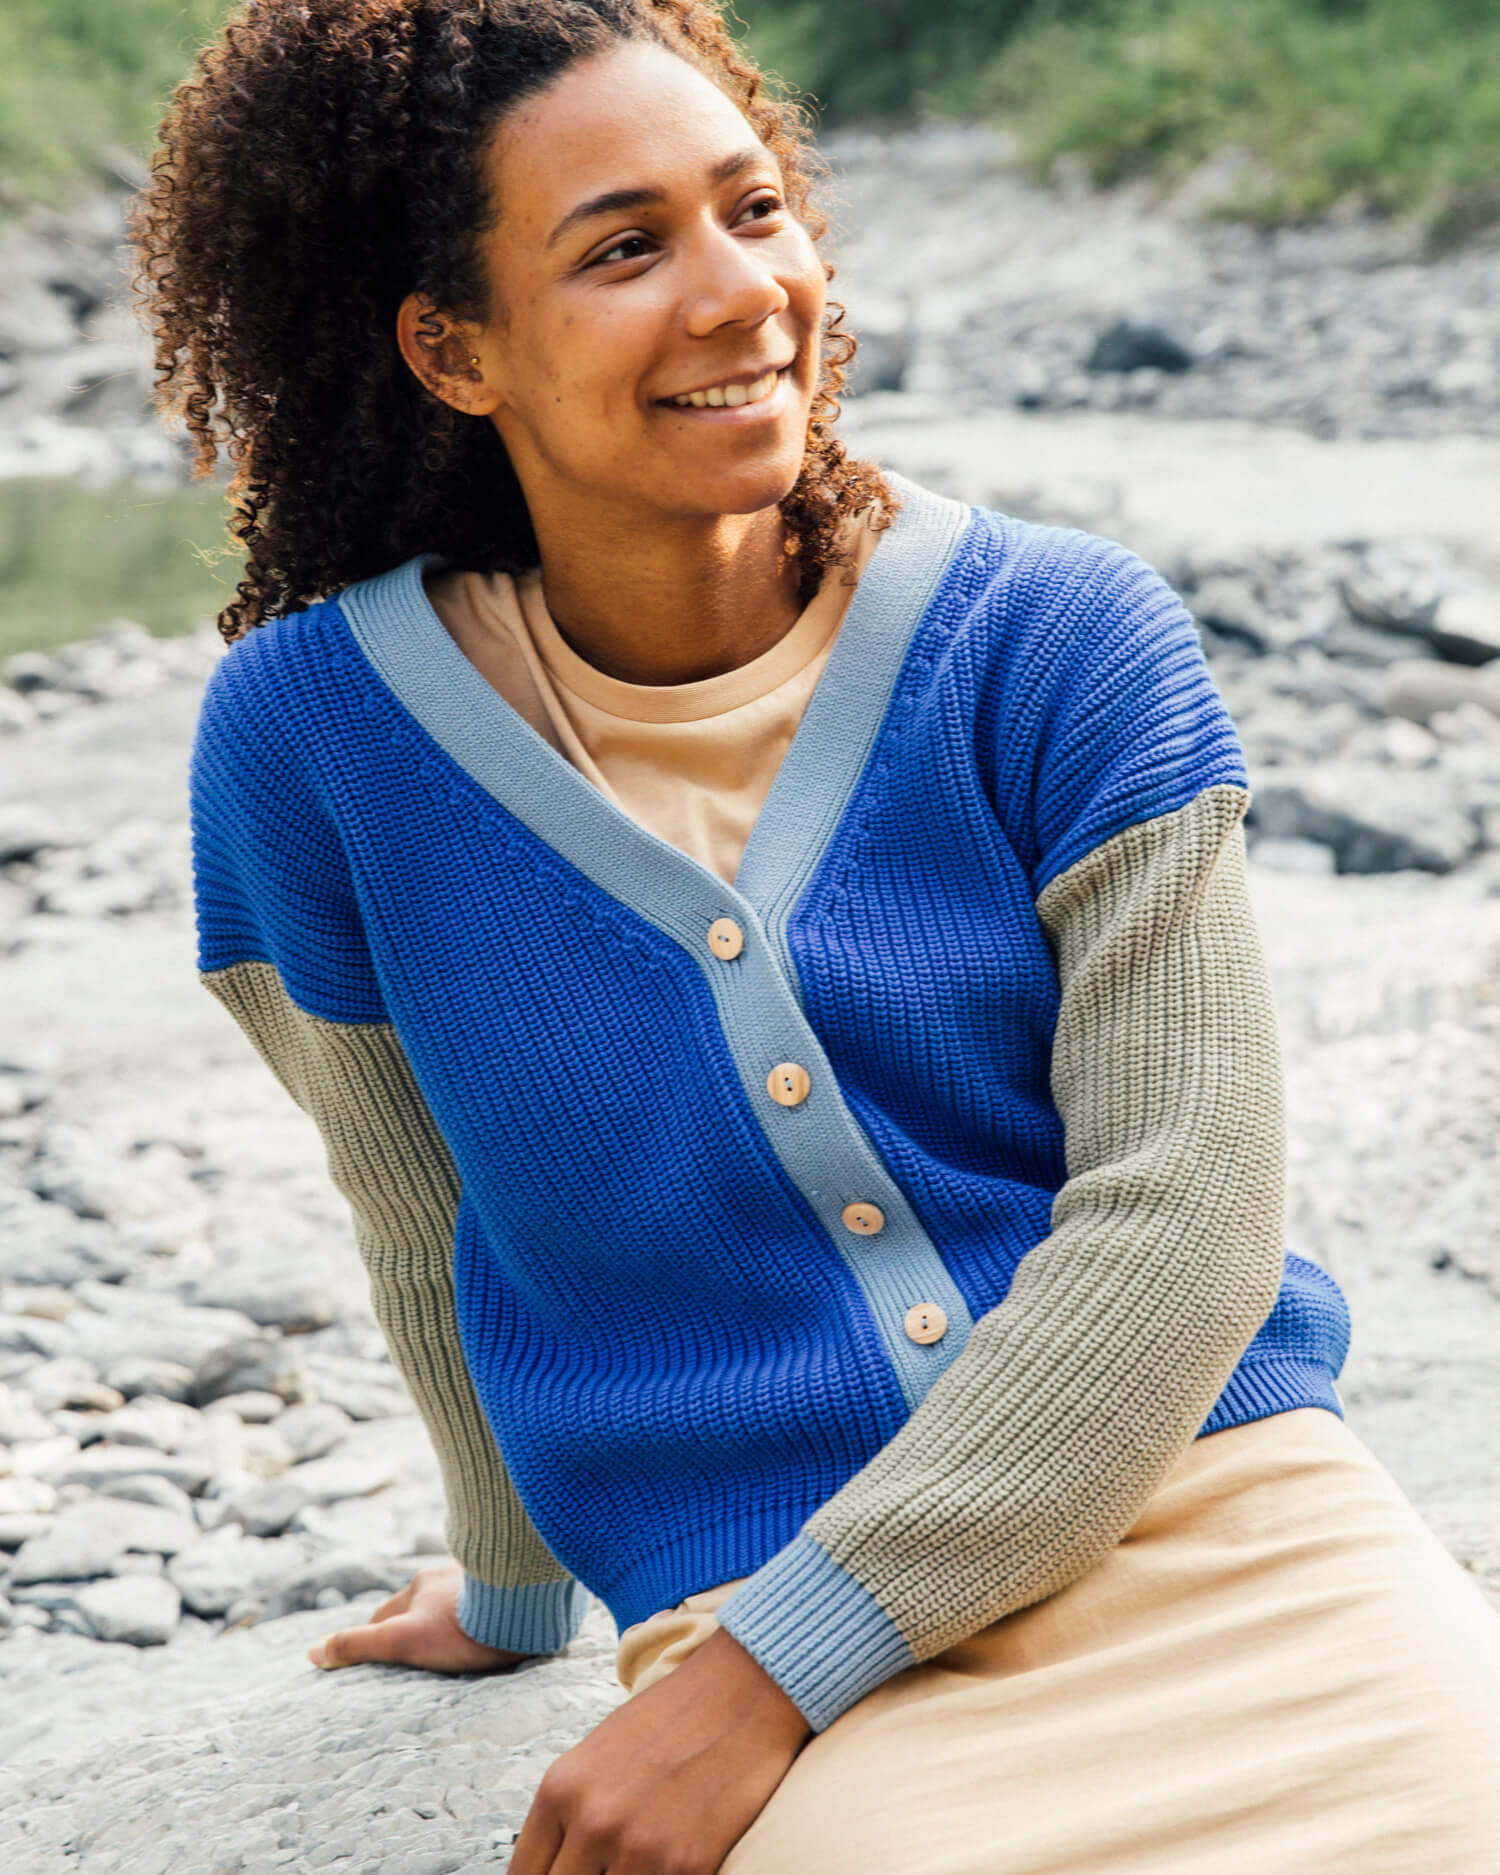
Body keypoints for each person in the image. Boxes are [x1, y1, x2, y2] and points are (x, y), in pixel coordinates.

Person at [136, 2, 1500, 1869]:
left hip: (1217, 1504)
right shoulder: (310, 740)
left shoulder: (1060, 636)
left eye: (755, 210)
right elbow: (430, 1213)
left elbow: (1186, 1218)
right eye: (625, 248)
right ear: (454, 351)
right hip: (760, 1577)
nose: (735, 293)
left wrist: (757, 1682)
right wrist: (518, 1592)